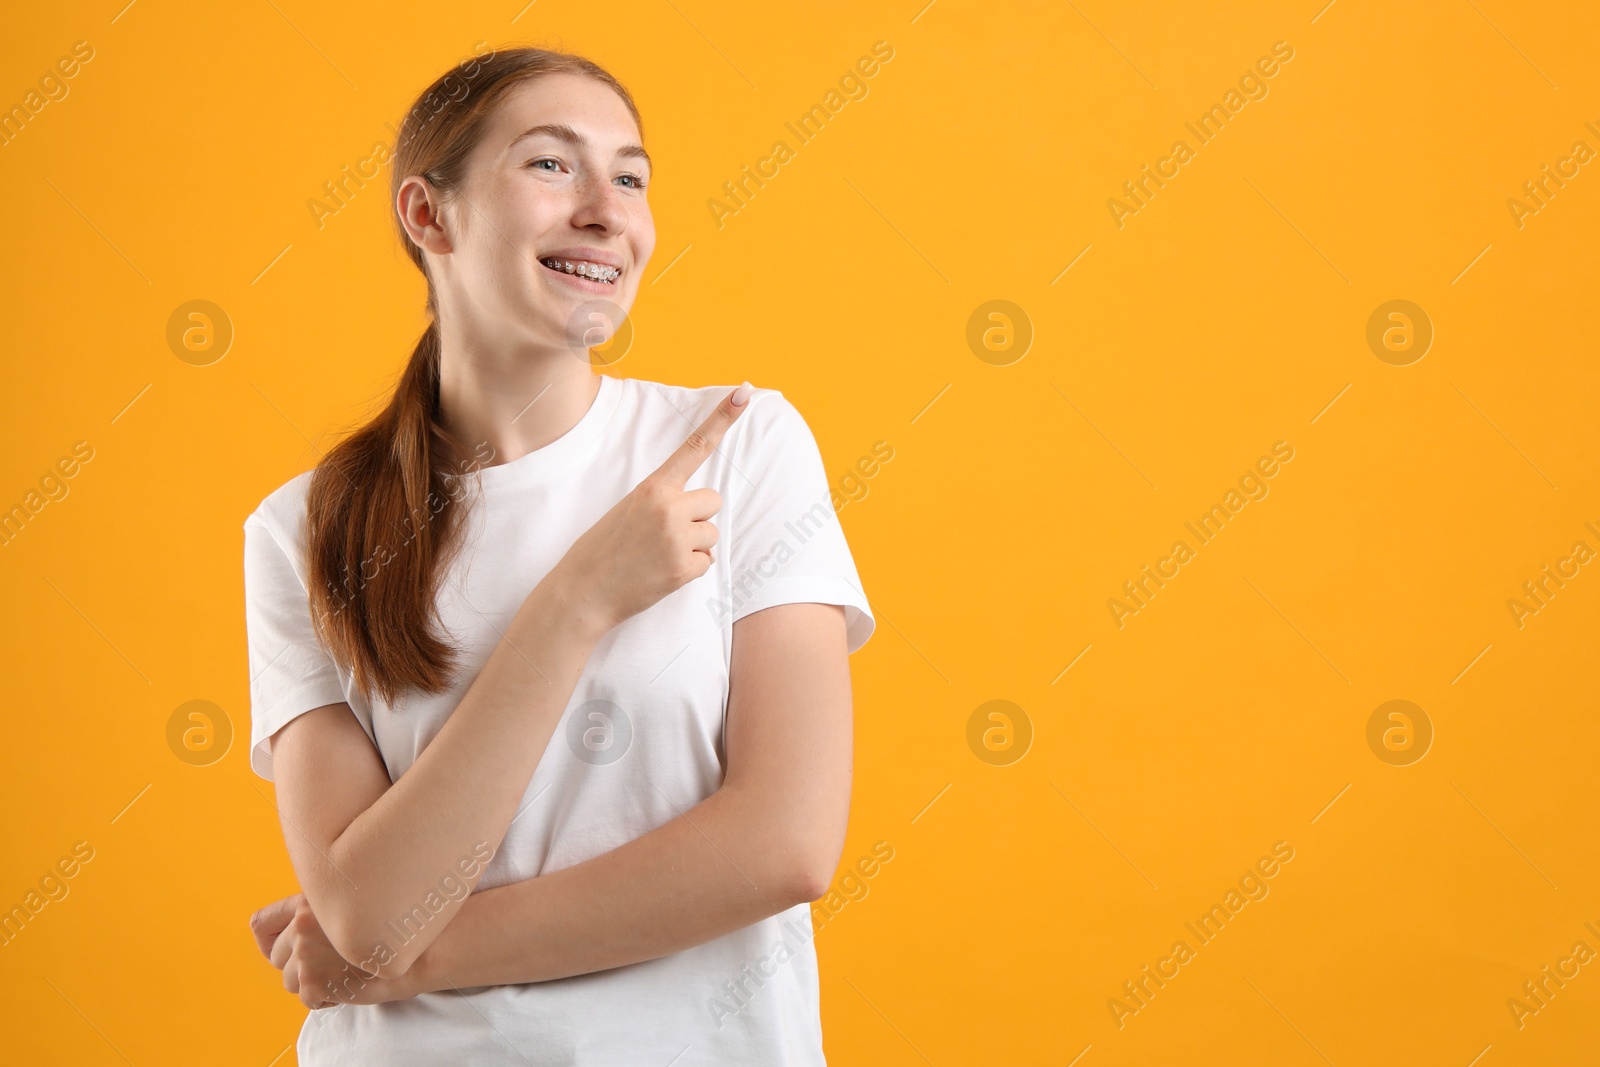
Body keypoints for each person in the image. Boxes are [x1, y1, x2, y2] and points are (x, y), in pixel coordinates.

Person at [240, 45, 874, 1065]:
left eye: (630, 176)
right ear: (427, 215)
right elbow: (365, 907)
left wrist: (403, 958)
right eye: (551, 164)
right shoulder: (304, 529)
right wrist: (578, 597)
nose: (607, 210)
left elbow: (784, 844)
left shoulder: (742, 442)